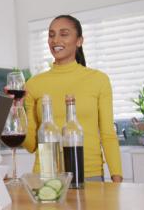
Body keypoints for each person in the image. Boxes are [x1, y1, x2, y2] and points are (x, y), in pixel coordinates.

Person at [22, 15, 123, 182]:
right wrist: (18, 111)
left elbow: (108, 134)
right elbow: (31, 145)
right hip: (46, 176)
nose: (55, 40)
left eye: (64, 34)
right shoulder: (33, 84)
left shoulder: (98, 79)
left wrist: (117, 178)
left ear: (79, 41)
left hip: (89, 174)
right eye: (51, 34)